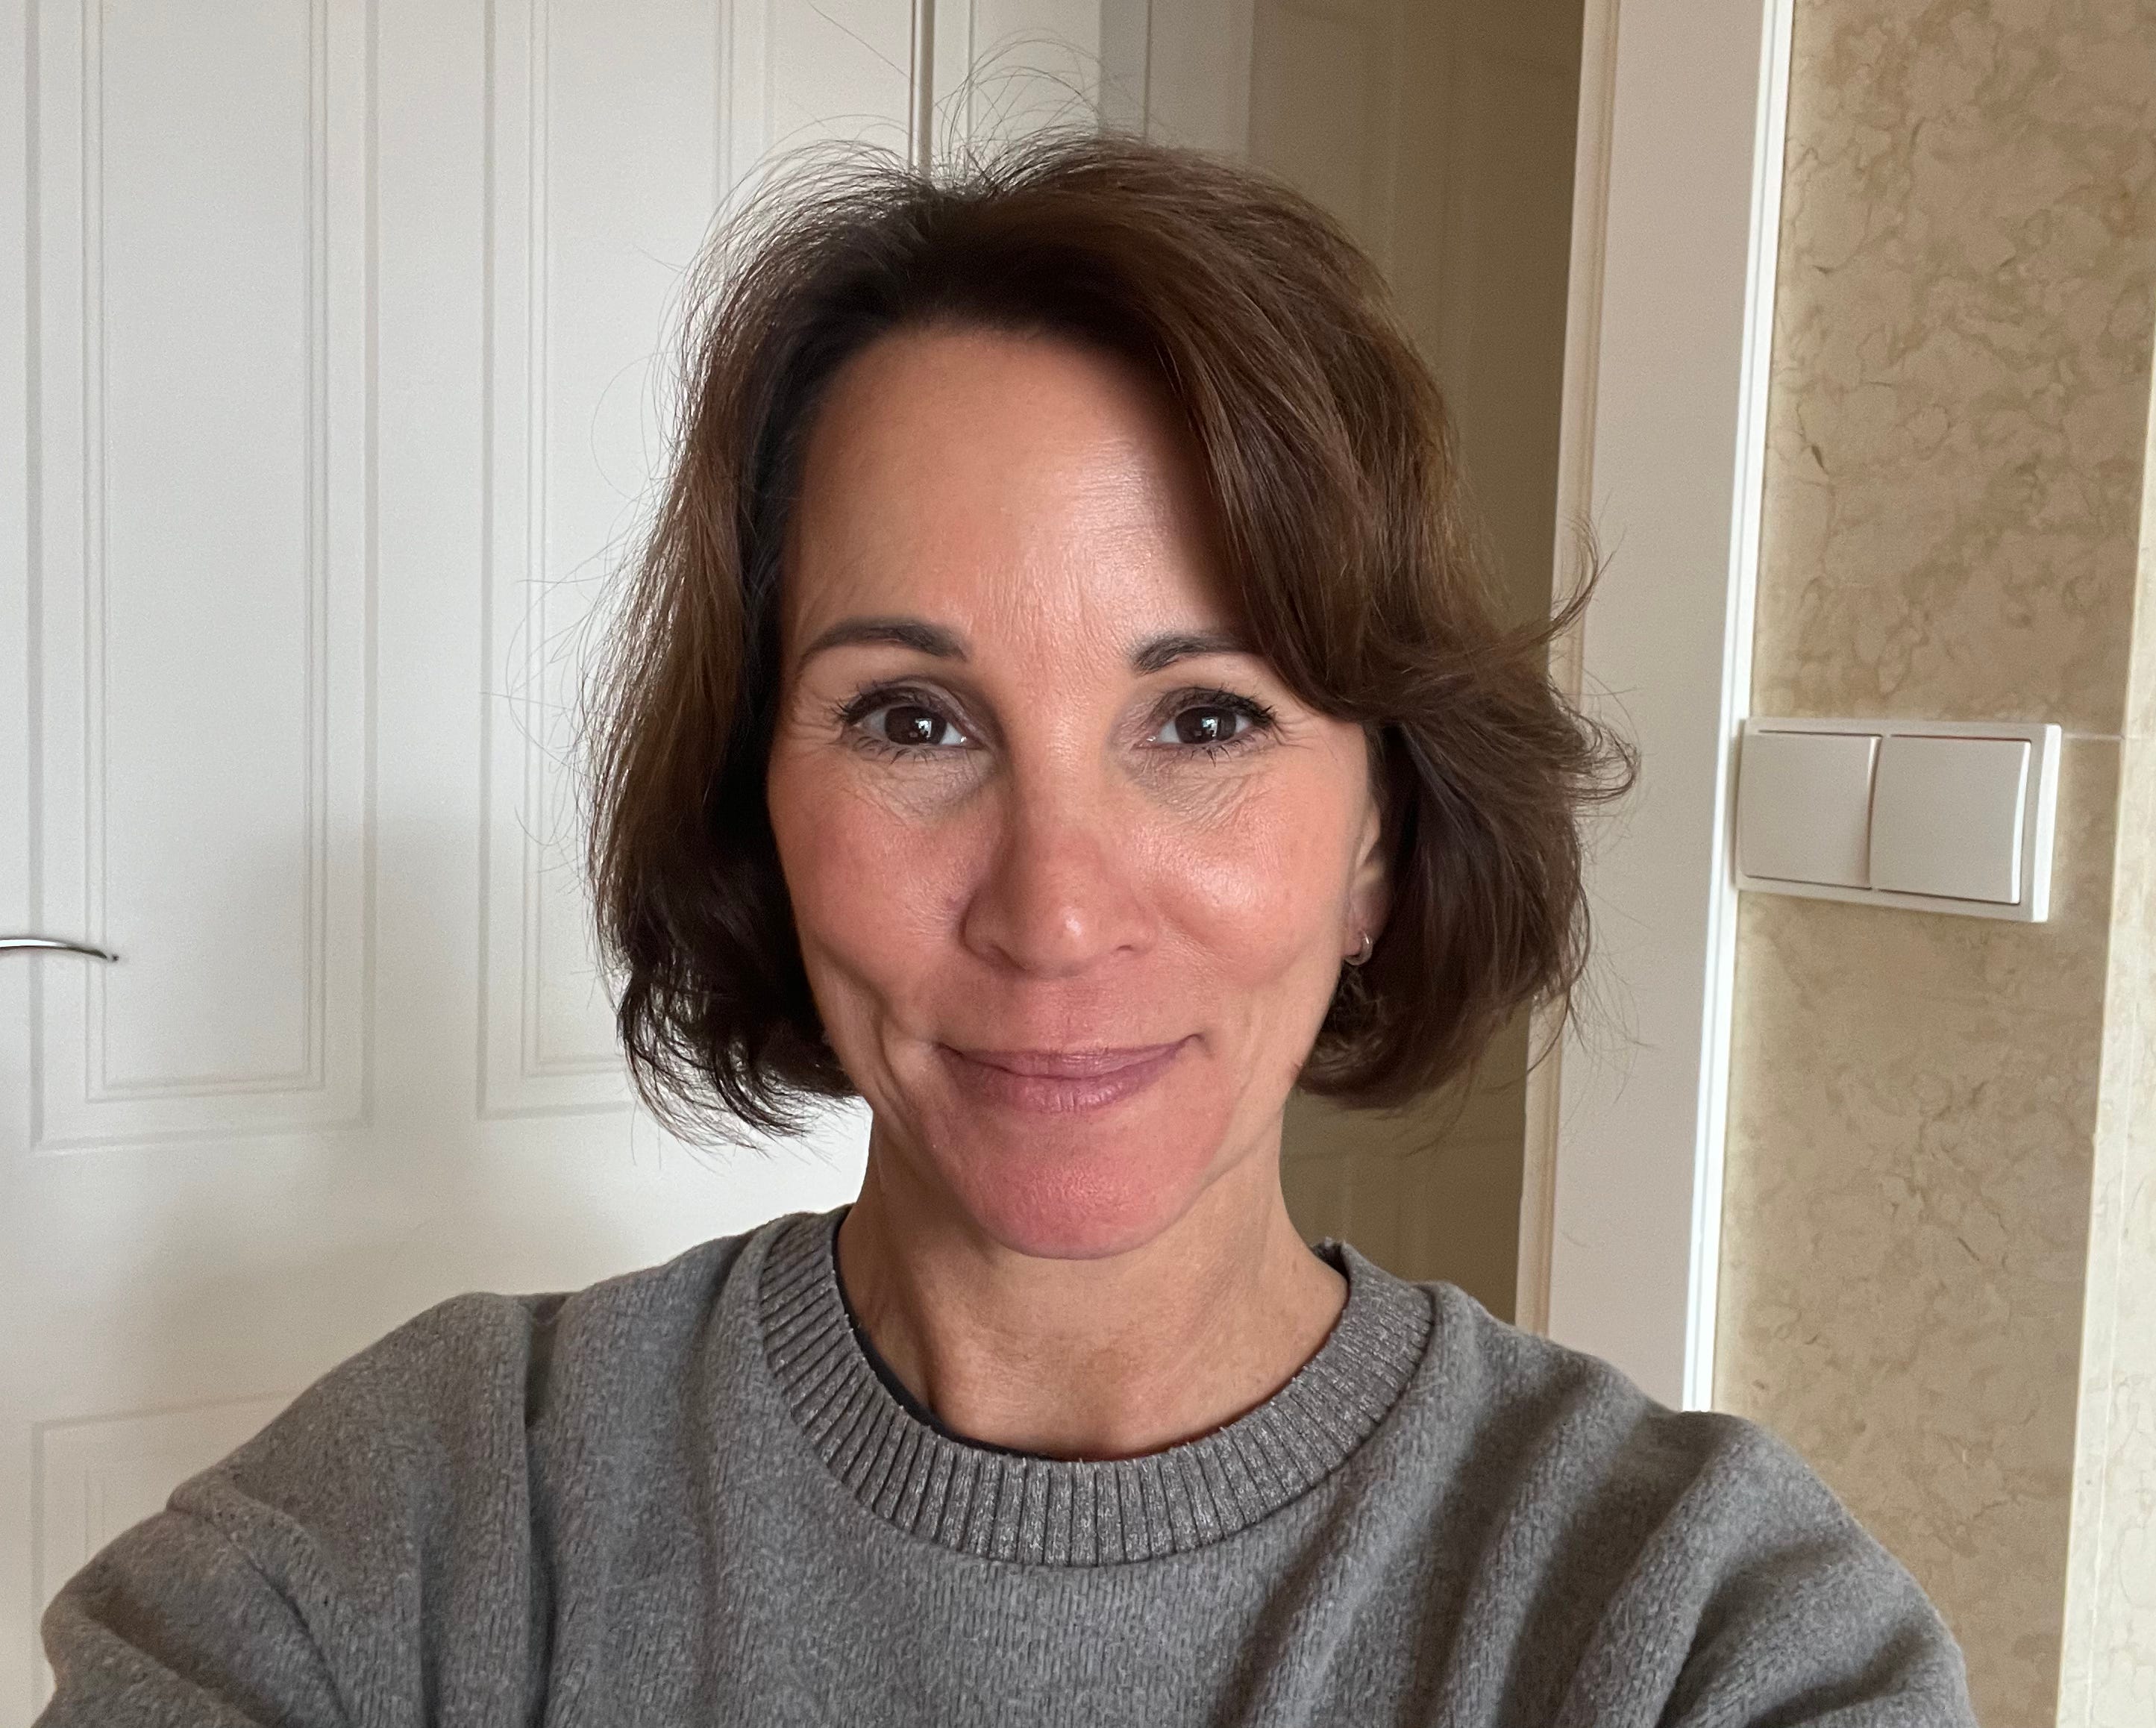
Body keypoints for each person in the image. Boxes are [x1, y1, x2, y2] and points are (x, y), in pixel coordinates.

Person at [37, 134, 1978, 1726]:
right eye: (914, 720)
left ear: (1380, 841)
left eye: (1202, 721)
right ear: (757, 805)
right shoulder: (431, 1527)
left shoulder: (1700, 1629)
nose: (1052, 910)